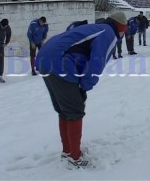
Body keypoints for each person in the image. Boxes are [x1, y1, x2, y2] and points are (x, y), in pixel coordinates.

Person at [34, 11, 127, 169]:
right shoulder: (108, 33)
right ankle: (75, 158)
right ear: (121, 28)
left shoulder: (96, 27)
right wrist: (84, 86)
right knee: (75, 111)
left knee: (65, 111)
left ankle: (68, 151)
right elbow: (96, 63)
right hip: (60, 63)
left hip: (45, 58)